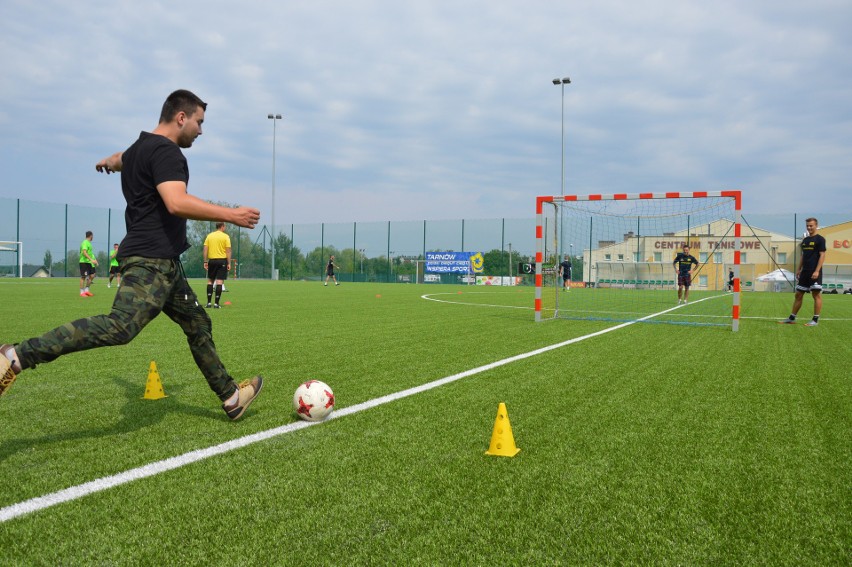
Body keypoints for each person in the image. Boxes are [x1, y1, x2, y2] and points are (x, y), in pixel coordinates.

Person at [0, 89, 263, 420]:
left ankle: (231, 398)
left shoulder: (139, 149)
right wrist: (232, 214)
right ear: (181, 117)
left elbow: (122, 158)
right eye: (199, 122)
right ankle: (18, 354)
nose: (201, 130)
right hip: (151, 263)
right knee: (120, 327)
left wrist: (110, 162)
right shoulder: (168, 153)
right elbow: (176, 202)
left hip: (165, 263)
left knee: (198, 322)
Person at [780, 217, 826, 327]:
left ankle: (815, 320)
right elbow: (803, 256)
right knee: (798, 295)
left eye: (811, 225)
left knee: (816, 295)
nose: (809, 227)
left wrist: (817, 271)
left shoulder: (820, 239)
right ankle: (791, 318)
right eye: (807, 226)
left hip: (814, 272)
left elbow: (822, 255)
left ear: (816, 225)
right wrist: (798, 269)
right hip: (804, 272)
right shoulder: (805, 240)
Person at [203, 222, 231, 308]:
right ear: (222, 226)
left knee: (210, 281)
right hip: (222, 261)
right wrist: (229, 263)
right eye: (224, 226)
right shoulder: (225, 237)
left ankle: (208, 303)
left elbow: (205, 249)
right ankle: (216, 304)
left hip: (212, 261)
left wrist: (205, 261)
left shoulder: (209, 236)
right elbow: (228, 251)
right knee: (219, 282)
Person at [79, 231, 98, 297]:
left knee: (92, 275)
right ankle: (82, 292)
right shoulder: (85, 242)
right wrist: (91, 260)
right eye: (92, 236)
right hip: (84, 262)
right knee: (83, 277)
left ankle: (86, 290)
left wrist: (95, 260)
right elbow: (84, 252)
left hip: (89, 262)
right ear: (91, 236)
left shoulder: (89, 243)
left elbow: (91, 253)